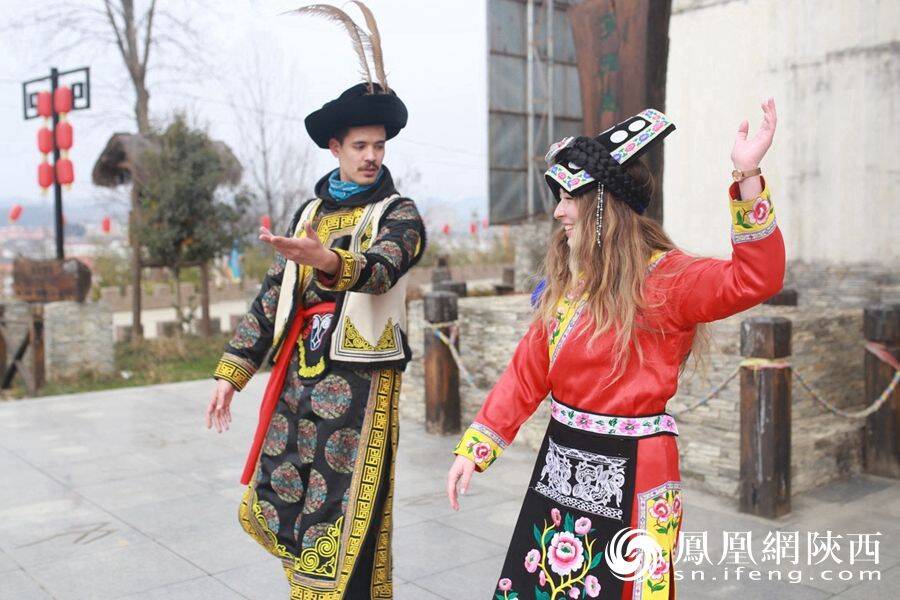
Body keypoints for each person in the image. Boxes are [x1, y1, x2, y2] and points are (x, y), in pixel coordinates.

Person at [446, 100, 782, 599]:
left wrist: (747, 175)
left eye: (569, 197)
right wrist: (475, 450)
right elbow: (527, 372)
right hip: (560, 469)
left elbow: (756, 278)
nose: (558, 211)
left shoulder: (668, 278)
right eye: (558, 197)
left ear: (603, 203)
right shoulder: (571, 282)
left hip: (637, 469)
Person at [205, 4, 425, 597]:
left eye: (378, 145)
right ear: (335, 147)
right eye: (360, 145)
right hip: (301, 374)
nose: (372, 156)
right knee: (291, 492)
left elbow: (382, 268)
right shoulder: (309, 214)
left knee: (346, 509)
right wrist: (232, 373)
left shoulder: (398, 214)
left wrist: (329, 261)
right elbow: (273, 296)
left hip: (360, 384)